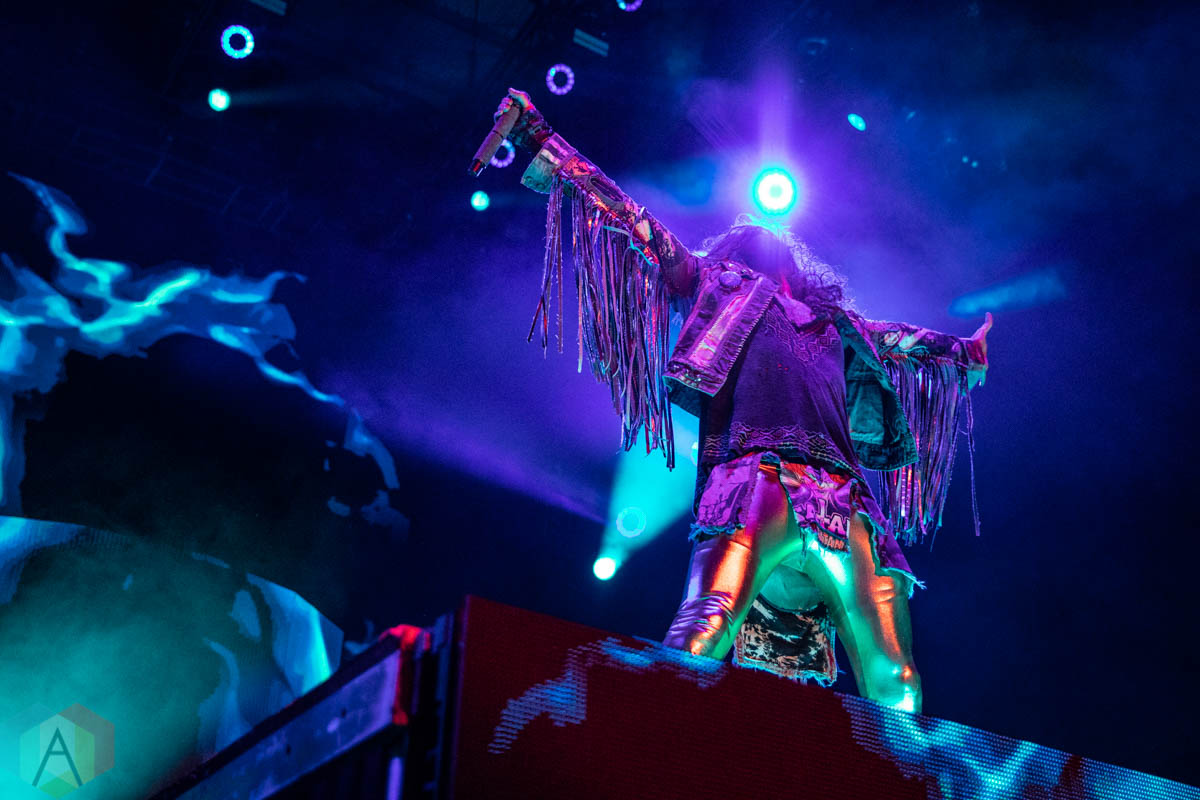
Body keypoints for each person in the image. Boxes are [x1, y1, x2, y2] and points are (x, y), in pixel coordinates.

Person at [494, 89, 990, 712]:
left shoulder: (839, 324)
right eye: (754, 233)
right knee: (704, 628)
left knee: (897, 675)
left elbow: (905, 343)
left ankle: (893, 765)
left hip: (844, 500)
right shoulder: (716, 284)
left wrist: (965, 353)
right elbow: (634, 222)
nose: (768, 233)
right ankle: (647, 744)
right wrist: (544, 140)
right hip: (758, 477)